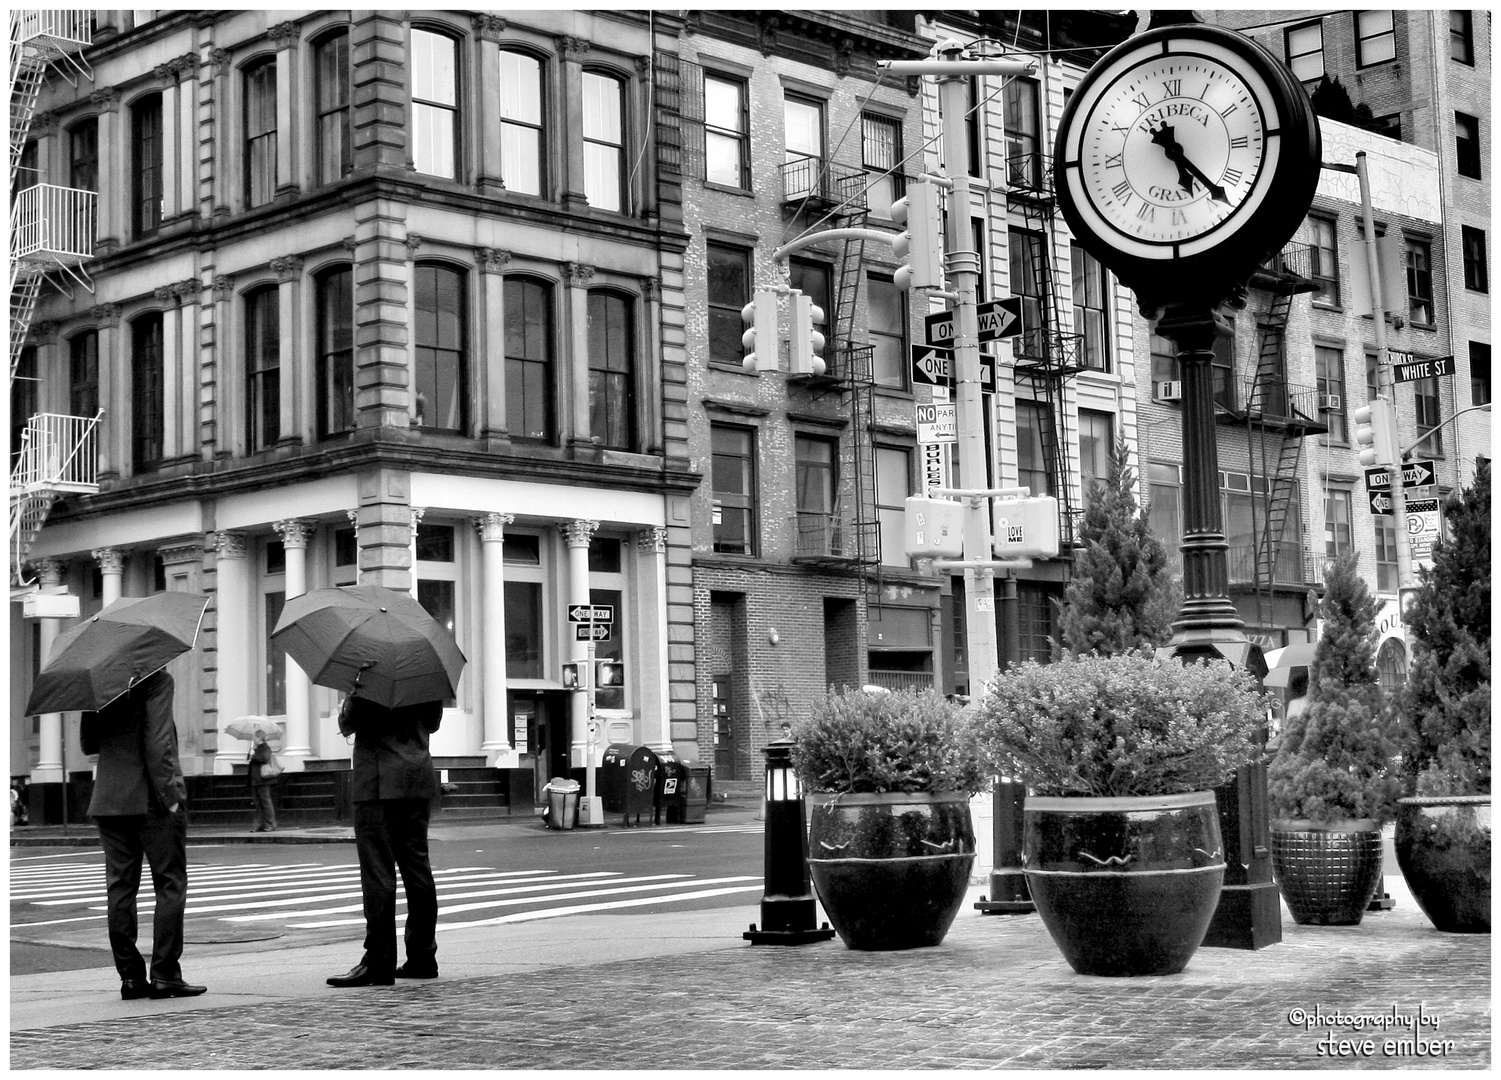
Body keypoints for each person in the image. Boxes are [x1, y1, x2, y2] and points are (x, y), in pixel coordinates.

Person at [79, 669, 206, 1001]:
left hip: (108, 799)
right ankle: (165, 974)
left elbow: (88, 743)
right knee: (170, 883)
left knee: (120, 888)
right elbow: (158, 741)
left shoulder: (99, 682)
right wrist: (172, 795)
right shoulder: (157, 680)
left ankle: (131, 978)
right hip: (151, 799)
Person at [327, 694, 442, 987]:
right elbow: (433, 723)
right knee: (417, 869)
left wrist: (346, 702)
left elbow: (349, 723)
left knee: (378, 872)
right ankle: (422, 956)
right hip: (416, 777)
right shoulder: (425, 678)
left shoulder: (368, 678)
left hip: (377, 782)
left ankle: (378, 960)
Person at [247, 733, 278, 832]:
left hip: (263, 779)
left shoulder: (265, 747)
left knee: (265, 802)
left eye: (254, 737)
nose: (253, 739)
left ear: (258, 737)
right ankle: (258, 824)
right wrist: (251, 754)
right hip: (256, 779)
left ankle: (271, 824)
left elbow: (264, 758)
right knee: (257, 803)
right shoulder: (257, 749)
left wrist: (254, 755)